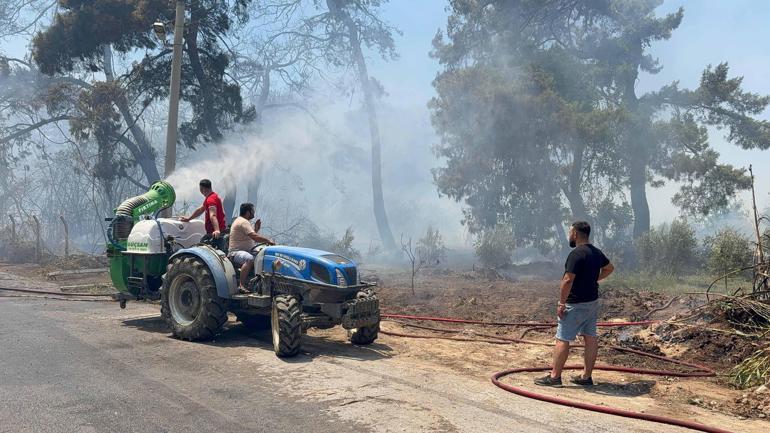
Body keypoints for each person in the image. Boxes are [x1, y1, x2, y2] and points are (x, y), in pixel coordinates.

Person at [534, 221, 614, 387]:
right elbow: (609, 268)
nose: (569, 235)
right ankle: (586, 377)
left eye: (570, 232)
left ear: (576, 234)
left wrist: (561, 303)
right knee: (590, 338)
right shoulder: (596, 252)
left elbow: (568, 280)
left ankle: (555, 377)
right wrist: (594, 279)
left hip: (575, 304)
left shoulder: (577, 254)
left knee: (562, 338)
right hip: (592, 302)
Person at [228, 202, 275, 293]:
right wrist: (268, 240)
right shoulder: (243, 222)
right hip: (236, 252)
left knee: (263, 257)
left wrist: (256, 229)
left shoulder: (243, 221)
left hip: (245, 251)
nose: (254, 213)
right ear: (248, 212)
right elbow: (254, 237)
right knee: (249, 259)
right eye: (252, 211)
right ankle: (241, 285)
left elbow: (250, 236)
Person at [180, 179, 226, 248]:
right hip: (216, 232)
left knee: (202, 246)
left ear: (202, 189)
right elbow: (200, 209)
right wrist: (189, 218)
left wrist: (217, 230)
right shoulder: (213, 197)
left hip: (215, 234)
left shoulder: (211, 200)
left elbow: (213, 215)